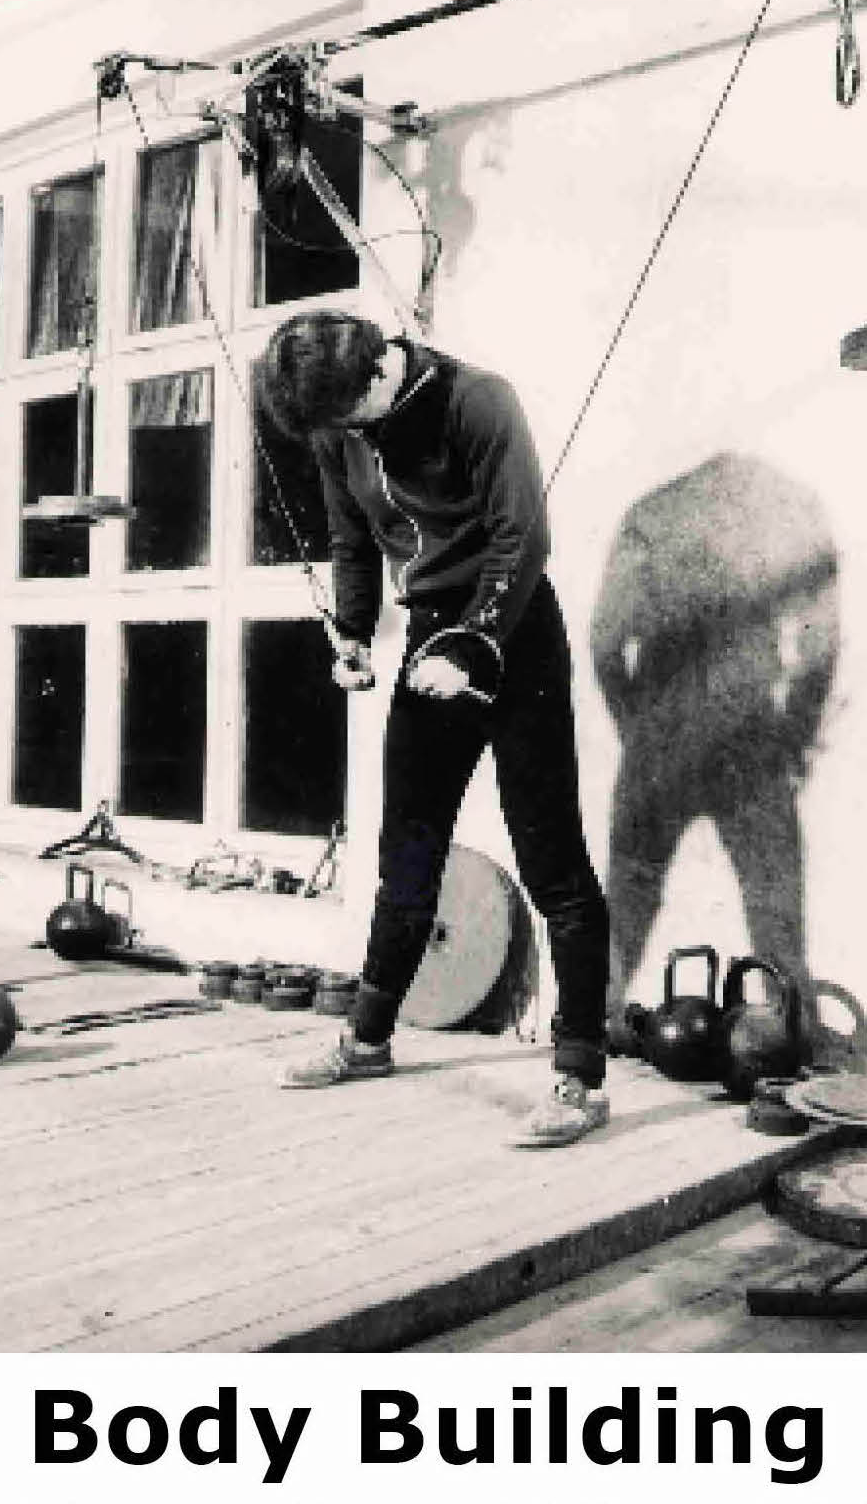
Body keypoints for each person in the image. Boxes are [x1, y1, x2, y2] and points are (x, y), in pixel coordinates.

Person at [258, 308, 612, 1147]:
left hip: (513, 629)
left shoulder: (477, 399)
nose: (345, 436)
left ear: (378, 370)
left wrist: (475, 644)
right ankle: (366, 1040)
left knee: (552, 860)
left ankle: (580, 1076)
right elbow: (351, 536)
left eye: (350, 418)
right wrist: (352, 631)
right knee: (407, 854)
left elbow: (523, 538)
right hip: (428, 636)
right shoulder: (336, 420)